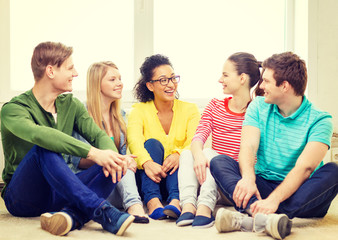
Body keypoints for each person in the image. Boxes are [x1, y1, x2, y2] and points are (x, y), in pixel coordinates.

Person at [0, 42, 136, 236]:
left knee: (115, 164)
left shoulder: (70, 104)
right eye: (70, 68)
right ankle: (101, 211)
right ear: (50, 71)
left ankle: (69, 217)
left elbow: (98, 135)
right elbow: (40, 134)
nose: (76, 73)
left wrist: (112, 156)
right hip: (22, 197)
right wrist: (93, 153)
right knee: (44, 148)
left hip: (61, 190)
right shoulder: (13, 109)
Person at [210, 52, 338, 239]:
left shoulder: (321, 120)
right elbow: (247, 146)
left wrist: (274, 201)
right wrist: (248, 178)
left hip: (302, 193)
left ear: (284, 86)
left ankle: (252, 217)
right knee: (219, 161)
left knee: (334, 170)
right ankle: (266, 218)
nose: (261, 86)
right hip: (263, 185)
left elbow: (305, 168)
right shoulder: (258, 106)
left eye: (266, 81)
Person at [176, 52, 262, 228]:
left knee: (209, 153)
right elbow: (198, 137)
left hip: (235, 184)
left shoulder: (258, 111)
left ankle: (205, 209)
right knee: (188, 154)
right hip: (211, 182)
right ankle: (188, 206)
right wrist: (199, 156)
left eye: (225, 75)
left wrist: (205, 154)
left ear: (242, 78)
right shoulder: (215, 105)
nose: (220, 80)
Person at [63, 61, 149, 223]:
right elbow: (77, 162)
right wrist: (113, 159)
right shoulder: (82, 114)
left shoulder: (121, 115)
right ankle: (134, 205)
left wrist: (122, 160)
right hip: (89, 185)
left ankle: (134, 205)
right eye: (112, 79)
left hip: (112, 185)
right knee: (121, 161)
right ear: (97, 84)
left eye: (120, 79)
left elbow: (122, 166)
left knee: (126, 162)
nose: (120, 83)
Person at [127, 54, 200, 220]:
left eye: (173, 78)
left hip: (178, 179)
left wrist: (178, 155)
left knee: (184, 154)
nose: (171, 84)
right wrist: (147, 163)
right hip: (150, 179)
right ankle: (153, 201)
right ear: (150, 86)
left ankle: (176, 201)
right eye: (163, 80)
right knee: (152, 144)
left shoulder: (190, 109)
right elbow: (134, 141)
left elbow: (195, 140)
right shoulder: (138, 110)